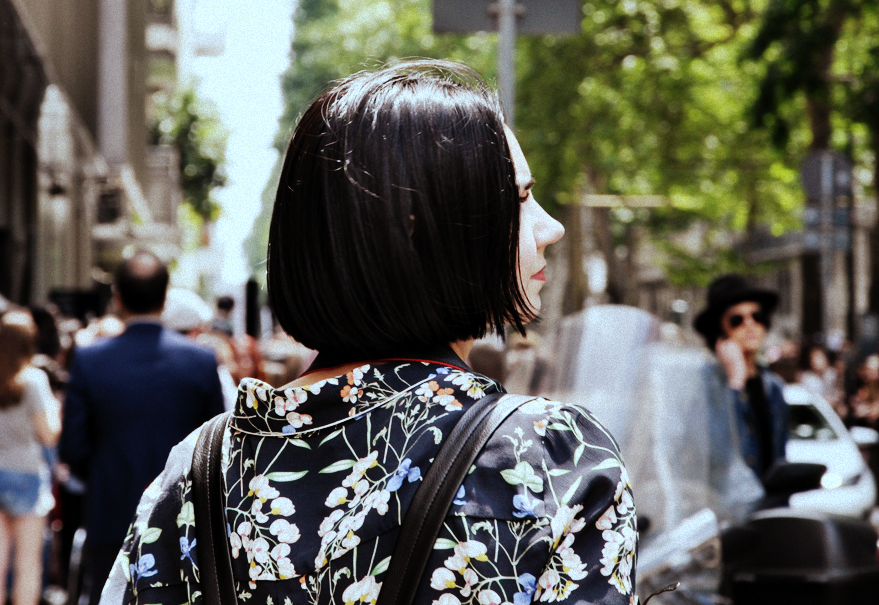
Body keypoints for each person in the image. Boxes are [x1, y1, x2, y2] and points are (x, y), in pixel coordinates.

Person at [102, 61, 637, 605]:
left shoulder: (197, 471)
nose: (552, 227)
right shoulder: (554, 455)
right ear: (418, 227)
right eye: (520, 200)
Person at [60, 250, 226, 605]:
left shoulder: (89, 361)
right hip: (182, 519)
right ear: (165, 299)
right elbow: (216, 447)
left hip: (110, 511)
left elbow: (72, 447)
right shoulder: (200, 361)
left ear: (117, 298)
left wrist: (103, 473)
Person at [0, 310, 60, 605]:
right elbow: (48, 435)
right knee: (26, 564)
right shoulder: (34, 379)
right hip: (26, 475)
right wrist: (56, 410)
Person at [694, 274, 788, 481]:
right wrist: (735, 381)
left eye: (757, 316)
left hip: (771, 500)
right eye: (737, 320)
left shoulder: (774, 387)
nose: (749, 324)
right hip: (729, 500)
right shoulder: (705, 385)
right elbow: (718, 453)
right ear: (720, 330)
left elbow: (779, 458)